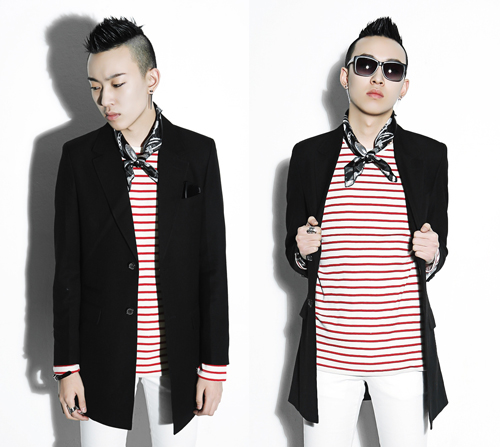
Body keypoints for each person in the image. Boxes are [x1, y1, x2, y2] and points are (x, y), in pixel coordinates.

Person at [52, 17, 229, 446]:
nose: (105, 99)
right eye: (95, 87)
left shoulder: (198, 153)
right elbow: (67, 271)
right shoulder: (78, 158)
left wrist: (214, 367)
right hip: (102, 357)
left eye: (117, 84)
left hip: (178, 359)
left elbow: (212, 267)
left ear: (151, 79)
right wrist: (67, 367)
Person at [285, 17, 448, 446]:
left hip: (404, 354)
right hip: (328, 355)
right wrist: (301, 249)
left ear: (403, 86)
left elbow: (439, 250)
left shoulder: (429, 157)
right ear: (346, 76)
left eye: (392, 70)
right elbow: (293, 253)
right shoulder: (308, 156)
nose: (378, 77)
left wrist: (433, 253)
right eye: (366, 65)